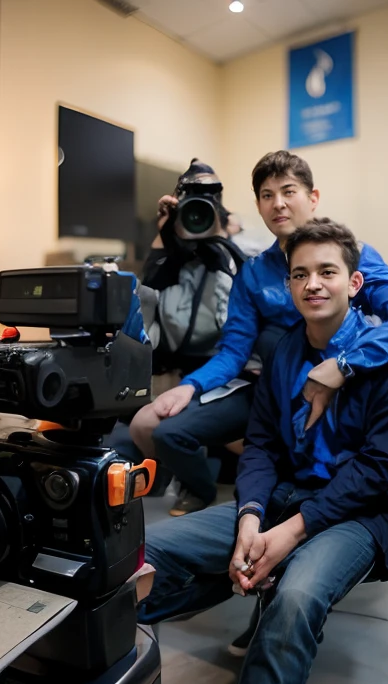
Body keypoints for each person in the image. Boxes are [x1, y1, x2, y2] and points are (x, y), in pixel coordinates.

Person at [138, 218, 388, 684]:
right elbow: (263, 447)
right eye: (300, 274)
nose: (313, 283)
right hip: (283, 500)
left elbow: (375, 471)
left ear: (354, 283)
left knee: (294, 599)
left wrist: (290, 532)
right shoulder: (285, 353)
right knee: (143, 555)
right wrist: (250, 519)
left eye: (327, 272)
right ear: (288, 286)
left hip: (366, 515)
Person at [131, 149, 388, 519]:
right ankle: (209, 495)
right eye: (267, 195)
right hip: (275, 389)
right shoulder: (254, 273)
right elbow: (234, 351)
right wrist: (191, 386)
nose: (278, 204)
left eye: (289, 191)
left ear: (313, 198)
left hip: (347, 386)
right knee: (149, 424)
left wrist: (343, 365)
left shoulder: (350, 256)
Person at [108, 159, 247, 493]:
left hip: (218, 378)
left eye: (204, 211)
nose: (195, 220)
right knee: (147, 432)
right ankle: (179, 478)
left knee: (240, 446)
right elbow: (142, 337)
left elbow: (237, 335)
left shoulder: (233, 262)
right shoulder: (165, 265)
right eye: (190, 211)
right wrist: (163, 238)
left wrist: (221, 244)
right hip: (167, 378)